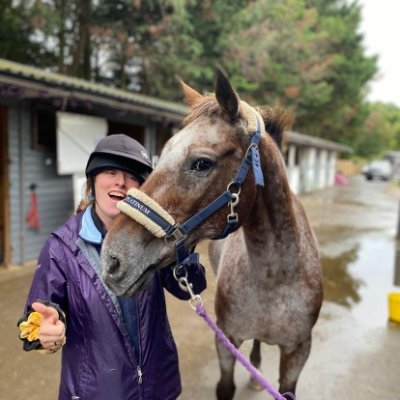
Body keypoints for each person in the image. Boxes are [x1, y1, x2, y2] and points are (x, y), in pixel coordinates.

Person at [18, 134, 207, 400]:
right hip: (96, 392)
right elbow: (35, 321)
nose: (120, 181)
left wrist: (182, 245)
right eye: (110, 171)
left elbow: (189, 288)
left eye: (131, 176)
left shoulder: (153, 236)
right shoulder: (60, 247)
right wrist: (46, 329)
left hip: (158, 387)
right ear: (92, 182)